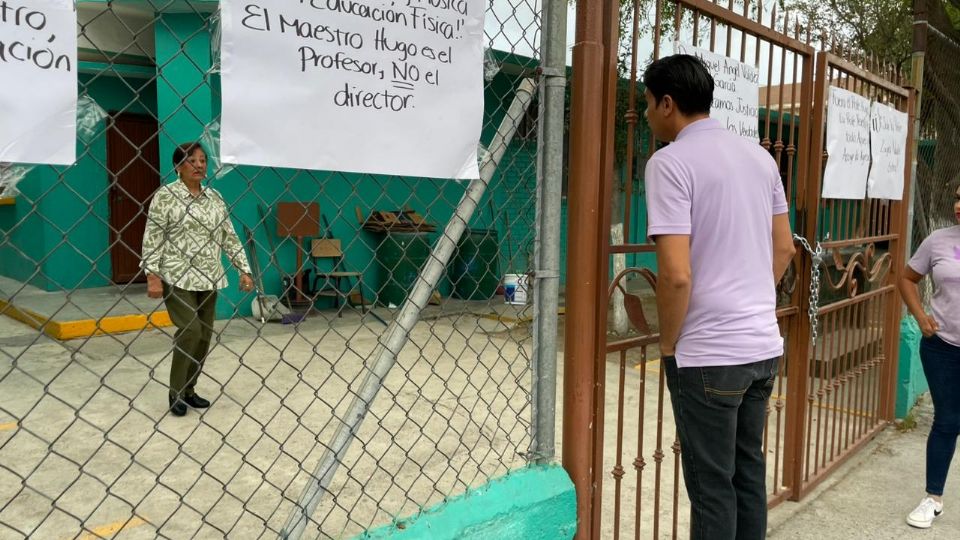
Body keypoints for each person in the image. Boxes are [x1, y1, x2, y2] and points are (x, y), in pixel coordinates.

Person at [642, 54, 796, 540]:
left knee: (711, 489)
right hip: (763, 347)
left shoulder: (669, 163)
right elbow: (785, 248)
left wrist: (669, 343)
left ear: (668, 104)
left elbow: (676, 276)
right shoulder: (761, 159)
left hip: (708, 355)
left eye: (648, 103)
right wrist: (752, 297)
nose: (646, 114)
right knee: (747, 473)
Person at [141, 142, 254, 417]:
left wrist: (243, 269)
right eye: (192, 160)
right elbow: (153, 236)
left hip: (209, 276)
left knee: (203, 336)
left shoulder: (214, 197)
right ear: (178, 166)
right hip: (177, 275)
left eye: (203, 160)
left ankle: (189, 389)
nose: (199, 165)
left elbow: (229, 235)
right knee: (190, 330)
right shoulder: (166, 196)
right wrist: (152, 275)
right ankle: (176, 392)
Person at [898, 185, 960, 529]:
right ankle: (933, 498)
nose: (959, 205)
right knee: (947, 421)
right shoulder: (938, 241)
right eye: (958, 198)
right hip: (942, 347)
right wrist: (920, 316)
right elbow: (907, 278)